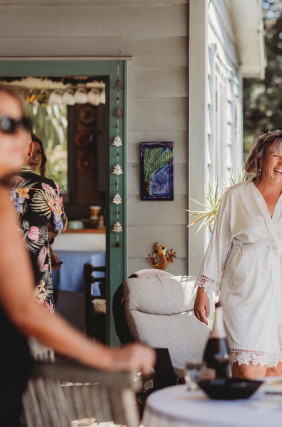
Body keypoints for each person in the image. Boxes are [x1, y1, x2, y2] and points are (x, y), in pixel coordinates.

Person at [0, 84, 155, 427]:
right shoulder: (45, 187)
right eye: (5, 124)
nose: (20, 134)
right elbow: (58, 228)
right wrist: (105, 358)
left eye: (22, 123)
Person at [193, 130, 282, 379]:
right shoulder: (236, 196)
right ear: (261, 158)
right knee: (248, 371)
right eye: (276, 156)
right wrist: (204, 290)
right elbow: (218, 244)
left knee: (275, 372)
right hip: (244, 293)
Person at [11, 132, 67, 311]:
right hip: (36, 269)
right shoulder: (48, 187)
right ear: (29, 149)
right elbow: (59, 226)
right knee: (37, 317)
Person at [26, 133, 63, 272]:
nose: (35, 157)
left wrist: (50, 250)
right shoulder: (49, 187)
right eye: (30, 152)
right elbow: (59, 226)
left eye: (39, 152)